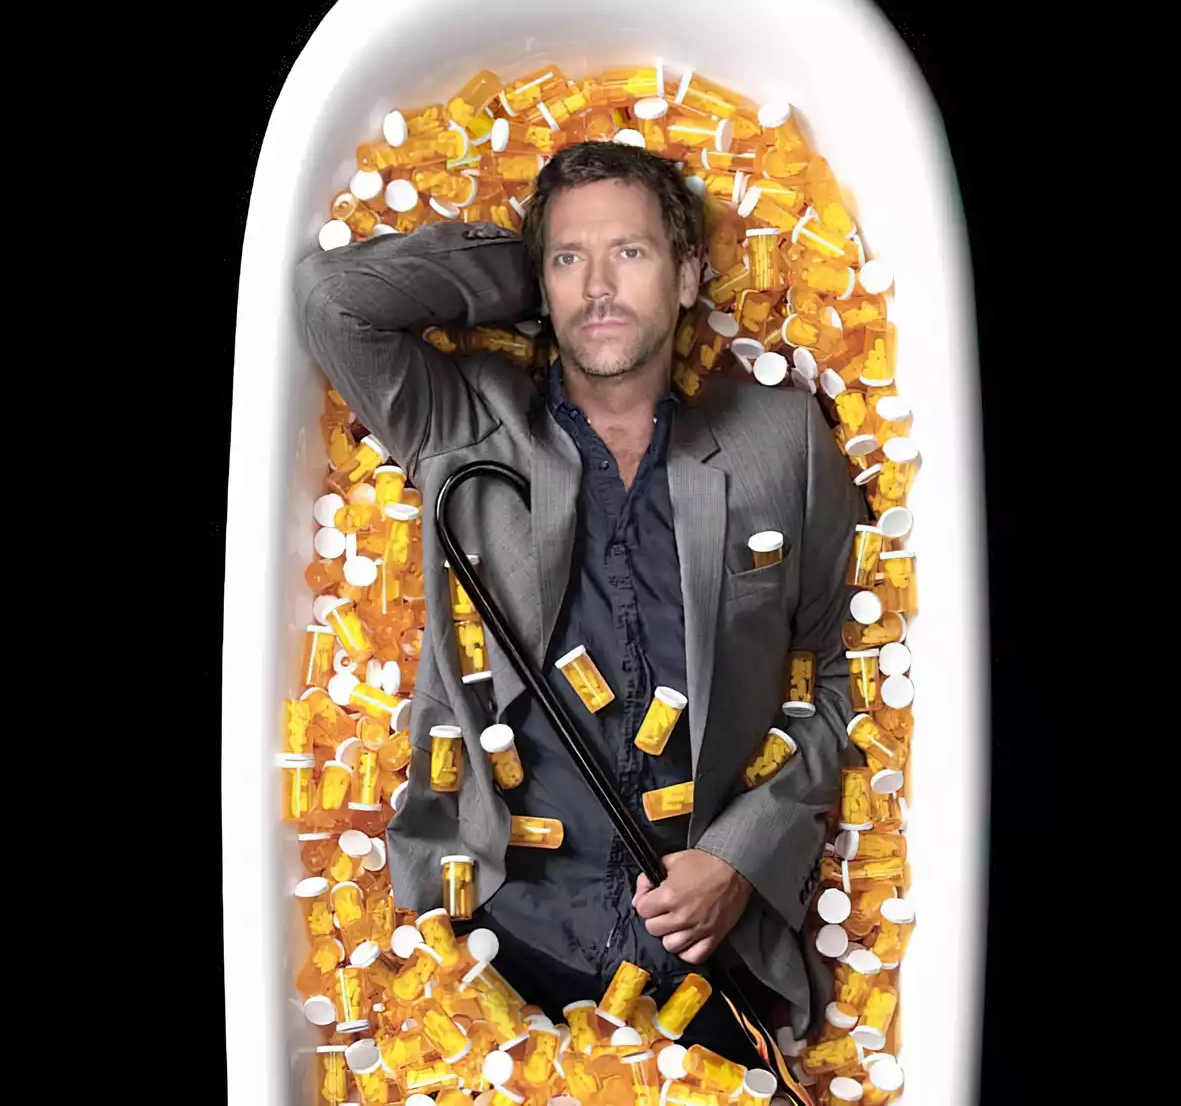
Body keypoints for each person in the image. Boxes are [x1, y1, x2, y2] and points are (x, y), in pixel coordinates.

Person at [294, 141, 866, 1059]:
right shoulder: (466, 422)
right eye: (571, 258)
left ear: (689, 275)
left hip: (710, 969)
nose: (599, 286)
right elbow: (333, 299)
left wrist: (740, 858)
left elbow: (835, 675)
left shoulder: (781, 444)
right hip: (488, 956)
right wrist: (534, 271)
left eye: (630, 253)